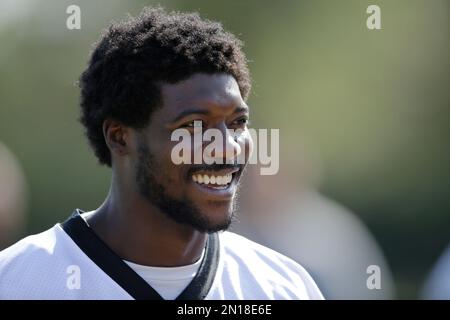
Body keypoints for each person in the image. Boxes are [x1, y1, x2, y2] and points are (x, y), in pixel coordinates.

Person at [0, 7, 323, 300]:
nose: (227, 146)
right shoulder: (17, 281)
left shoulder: (282, 287)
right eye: (195, 126)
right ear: (119, 137)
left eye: (237, 123)